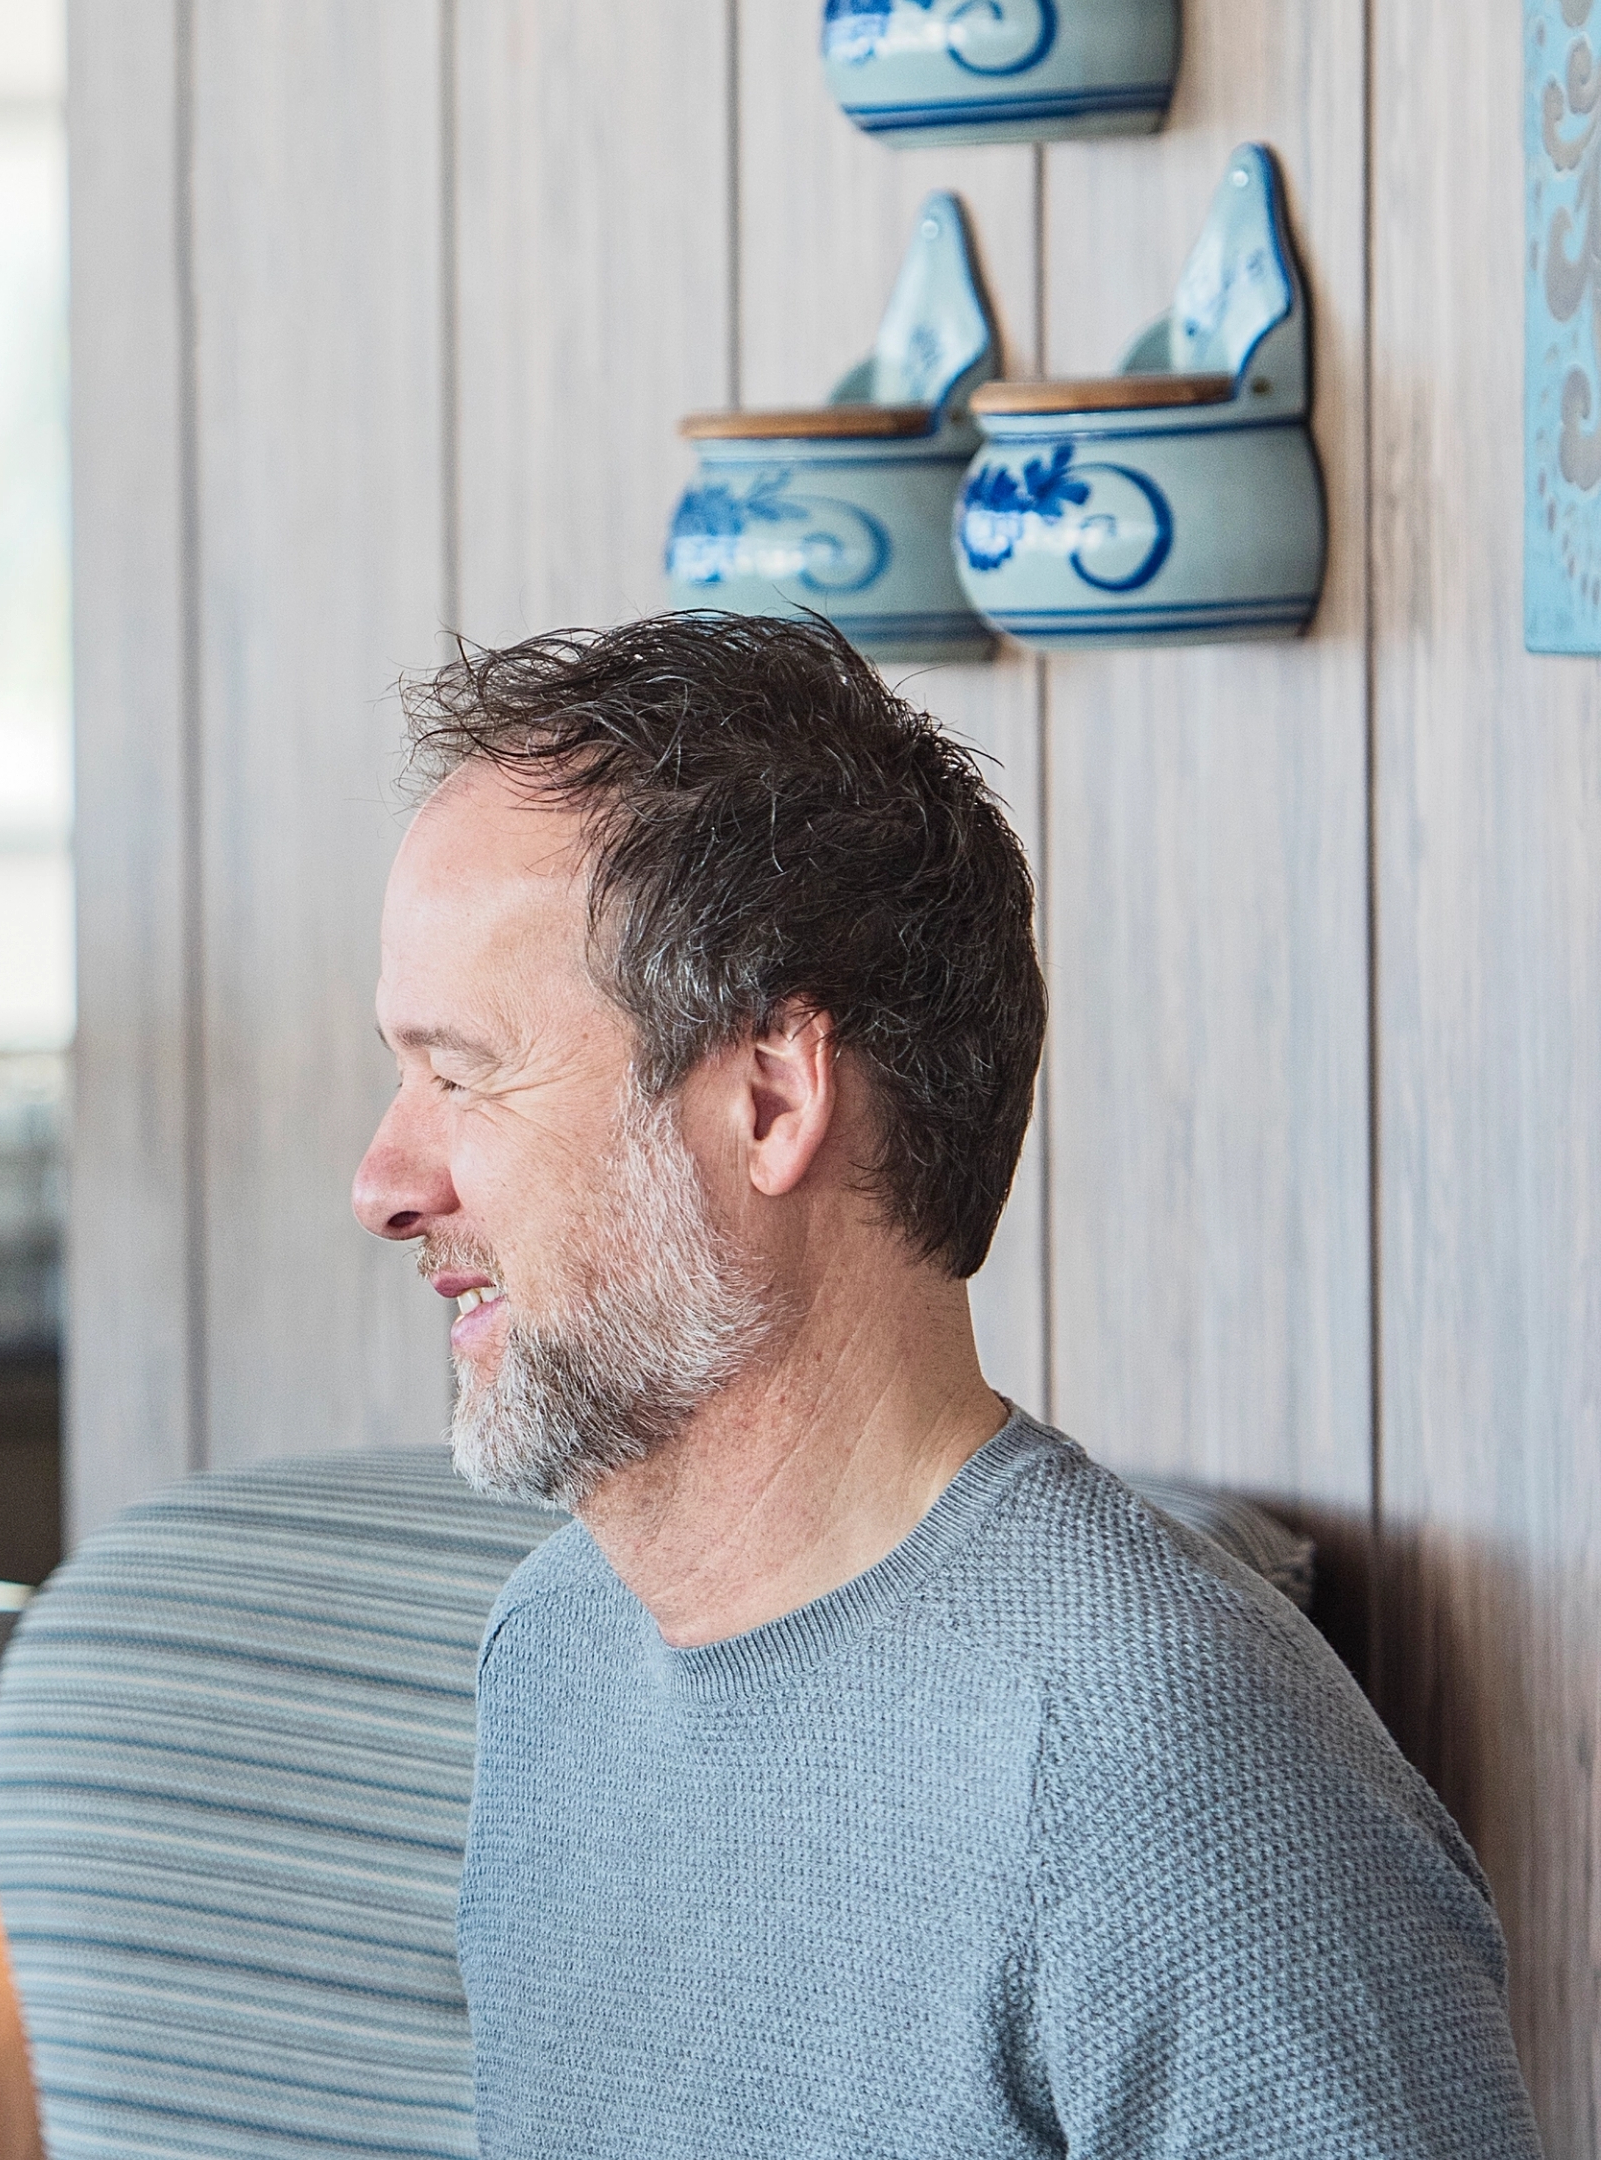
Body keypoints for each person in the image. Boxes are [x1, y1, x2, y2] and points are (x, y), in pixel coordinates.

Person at [347, 613, 1538, 2157]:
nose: (384, 1179)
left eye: (465, 1073)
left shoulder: (1166, 1757)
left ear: (771, 1099)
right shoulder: (555, 1648)